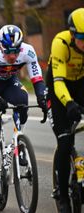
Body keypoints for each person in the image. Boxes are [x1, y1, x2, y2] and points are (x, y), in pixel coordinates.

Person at [0, 24, 47, 204]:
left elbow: (37, 79)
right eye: (8, 51)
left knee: (23, 100)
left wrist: (42, 97)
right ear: (0, 46)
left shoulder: (28, 52)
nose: (13, 56)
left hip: (9, 84)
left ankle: (19, 141)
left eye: (16, 51)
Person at [46, 8, 84, 213]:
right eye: (81, 37)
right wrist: (69, 103)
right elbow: (58, 81)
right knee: (65, 140)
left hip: (80, 83)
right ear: (72, 34)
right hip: (57, 86)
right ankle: (62, 195)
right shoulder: (60, 43)